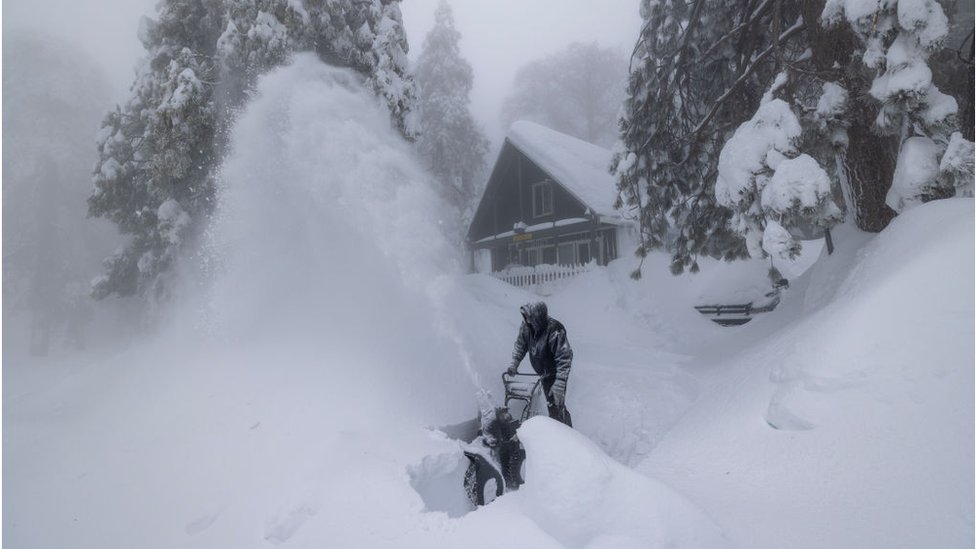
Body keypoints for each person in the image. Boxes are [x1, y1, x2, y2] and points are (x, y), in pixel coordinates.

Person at [506, 302, 573, 427]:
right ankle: (564, 433)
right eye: (525, 317)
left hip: (556, 374)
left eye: (529, 317)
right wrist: (514, 363)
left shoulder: (555, 329)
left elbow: (565, 358)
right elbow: (521, 345)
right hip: (543, 373)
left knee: (556, 407)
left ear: (537, 316)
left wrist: (559, 384)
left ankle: (565, 439)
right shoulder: (526, 327)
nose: (526, 320)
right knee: (552, 406)